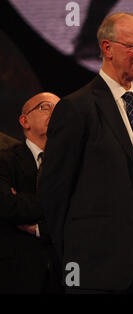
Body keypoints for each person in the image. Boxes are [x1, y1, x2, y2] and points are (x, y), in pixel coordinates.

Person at [38, 12, 133, 293]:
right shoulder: (77, 108)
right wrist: (71, 256)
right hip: (95, 268)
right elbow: (54, 191)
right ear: (107, 49)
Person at [0, 92, 61, 293]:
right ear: (24, 121)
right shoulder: (5, 160)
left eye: (59, 109)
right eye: (46, 107)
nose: (55, 113)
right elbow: (7, 206)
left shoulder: (72, 163)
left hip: (66, 270)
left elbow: (79, 214)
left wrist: (37, 227)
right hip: (18, 272)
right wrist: (57, 204)